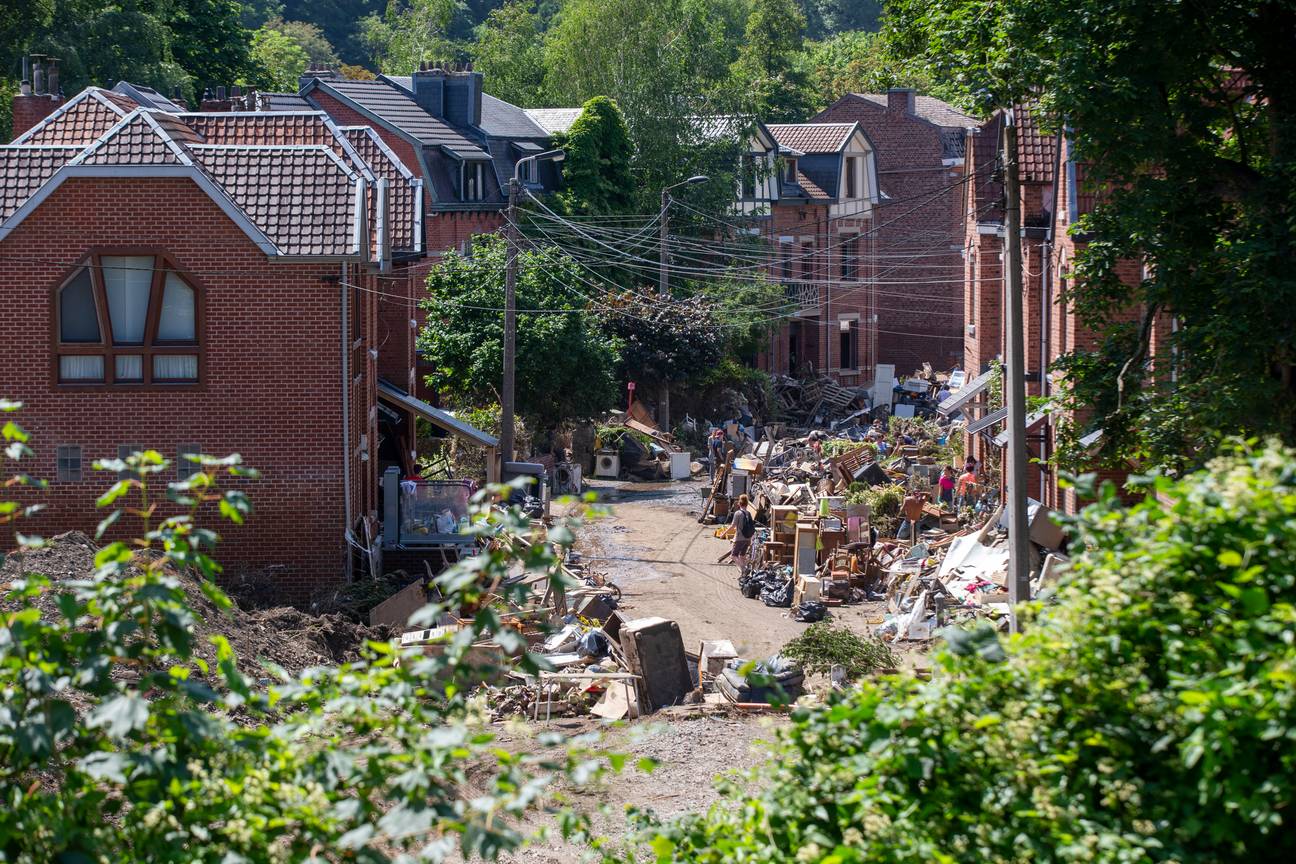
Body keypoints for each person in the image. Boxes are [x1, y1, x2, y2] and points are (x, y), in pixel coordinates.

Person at [731, 493, 755, 571]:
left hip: (740, 538)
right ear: (747, 504)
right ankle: (743, 573)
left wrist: (723, 533)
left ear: (739, 503)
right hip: (747, 538)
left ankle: (744, 568)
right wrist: (751, 539)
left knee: (733, 555)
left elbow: (733, 526)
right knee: (742, 555)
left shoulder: (737, 513)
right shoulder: (749, 513)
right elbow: (752, 527)